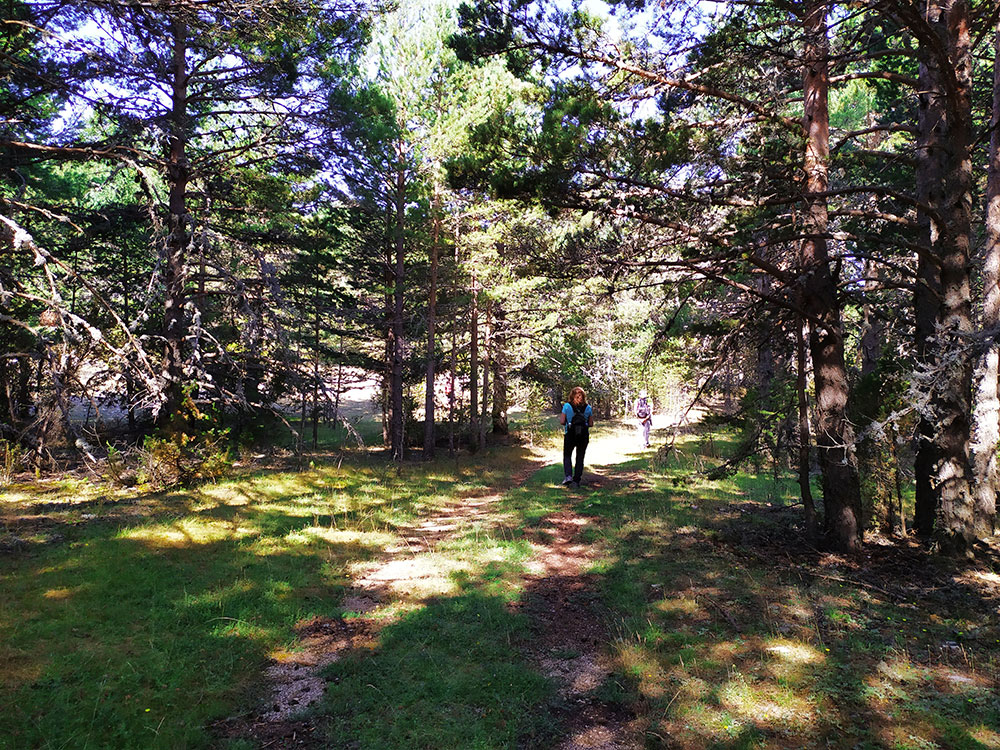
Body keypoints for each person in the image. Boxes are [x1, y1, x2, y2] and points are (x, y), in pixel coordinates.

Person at [559, 386, 593, 487]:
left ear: (571, 395)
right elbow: (591, 423)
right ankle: (577, 480)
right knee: (580, 457)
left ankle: (568, 476)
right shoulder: (588, 408)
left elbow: (561, 421)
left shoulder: (567, 406)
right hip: (583, 436)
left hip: (570, 434)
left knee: (567, 455)